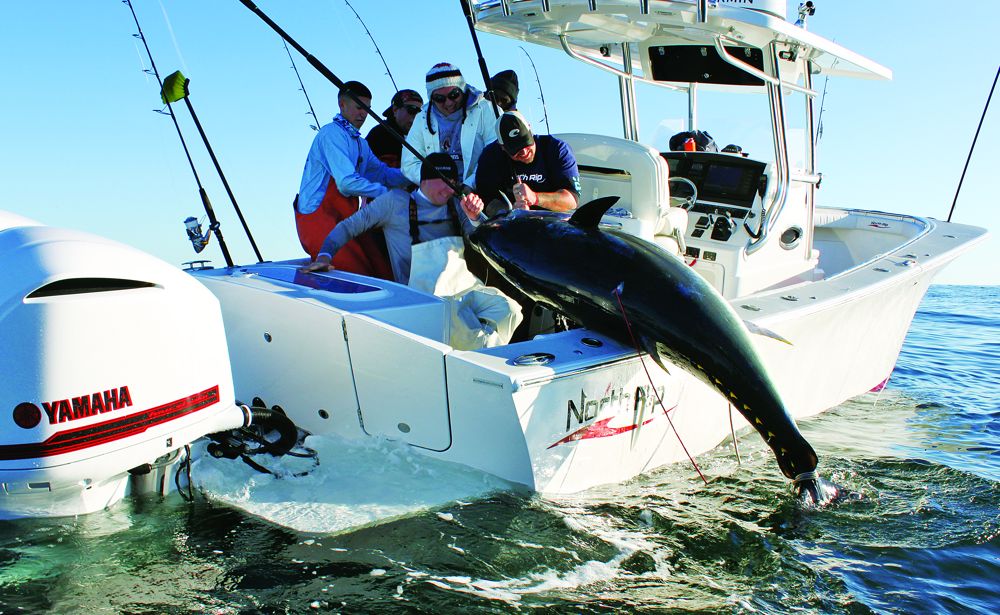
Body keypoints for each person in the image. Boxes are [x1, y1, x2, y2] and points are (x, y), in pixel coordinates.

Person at [302, 153, 521, 349]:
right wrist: (325, 255)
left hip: (465, 288)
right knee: (463, 325)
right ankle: (486, 361)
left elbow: (482, 236)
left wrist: (475, 216)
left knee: (509, 309)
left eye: (453, 183)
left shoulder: (456, 204)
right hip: (424, 297)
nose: (449, 189)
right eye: (444, 182)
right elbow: (348, 227)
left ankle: (488, 351)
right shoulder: (395, 202)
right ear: (424, 180)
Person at [294, 80, 410, 279]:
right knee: (357, 276)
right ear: (342, 105)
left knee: (382, 270)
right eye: (359, 107)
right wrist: (391, 196)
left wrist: (417, 175)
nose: (363, 114)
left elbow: (382, 173)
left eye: (367, 109)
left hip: (344, 219)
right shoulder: (331, 134)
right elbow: (346, 183)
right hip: (318, 222)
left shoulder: (360, 143)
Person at [401, 63, 496, 189]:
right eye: (439, 98)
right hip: (438, 195)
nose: (449, 103)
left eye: (454, 95)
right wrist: (437, 183)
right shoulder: (422, 117)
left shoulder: (487, 110)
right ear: (431, 97)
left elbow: (496, 153)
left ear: (462, 89)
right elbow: (409, 163)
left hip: (481, 191)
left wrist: (470, 184)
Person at [471, 110, 581, 214]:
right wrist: (510, 212)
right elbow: (487, 200)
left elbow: (572, 200)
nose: (524, 152)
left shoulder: (557, 149)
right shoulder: (490, 156)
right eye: (516, 149)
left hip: (551, 222)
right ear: (502, 147)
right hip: (509, 223)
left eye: (526, 142)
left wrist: (535, 198)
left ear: (530, 129)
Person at [366, 89, 423, 168]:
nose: (416, 117)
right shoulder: (381, 134)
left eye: (420, 113)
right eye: (412, 110)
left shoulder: (416, 137)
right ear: (395, 110)